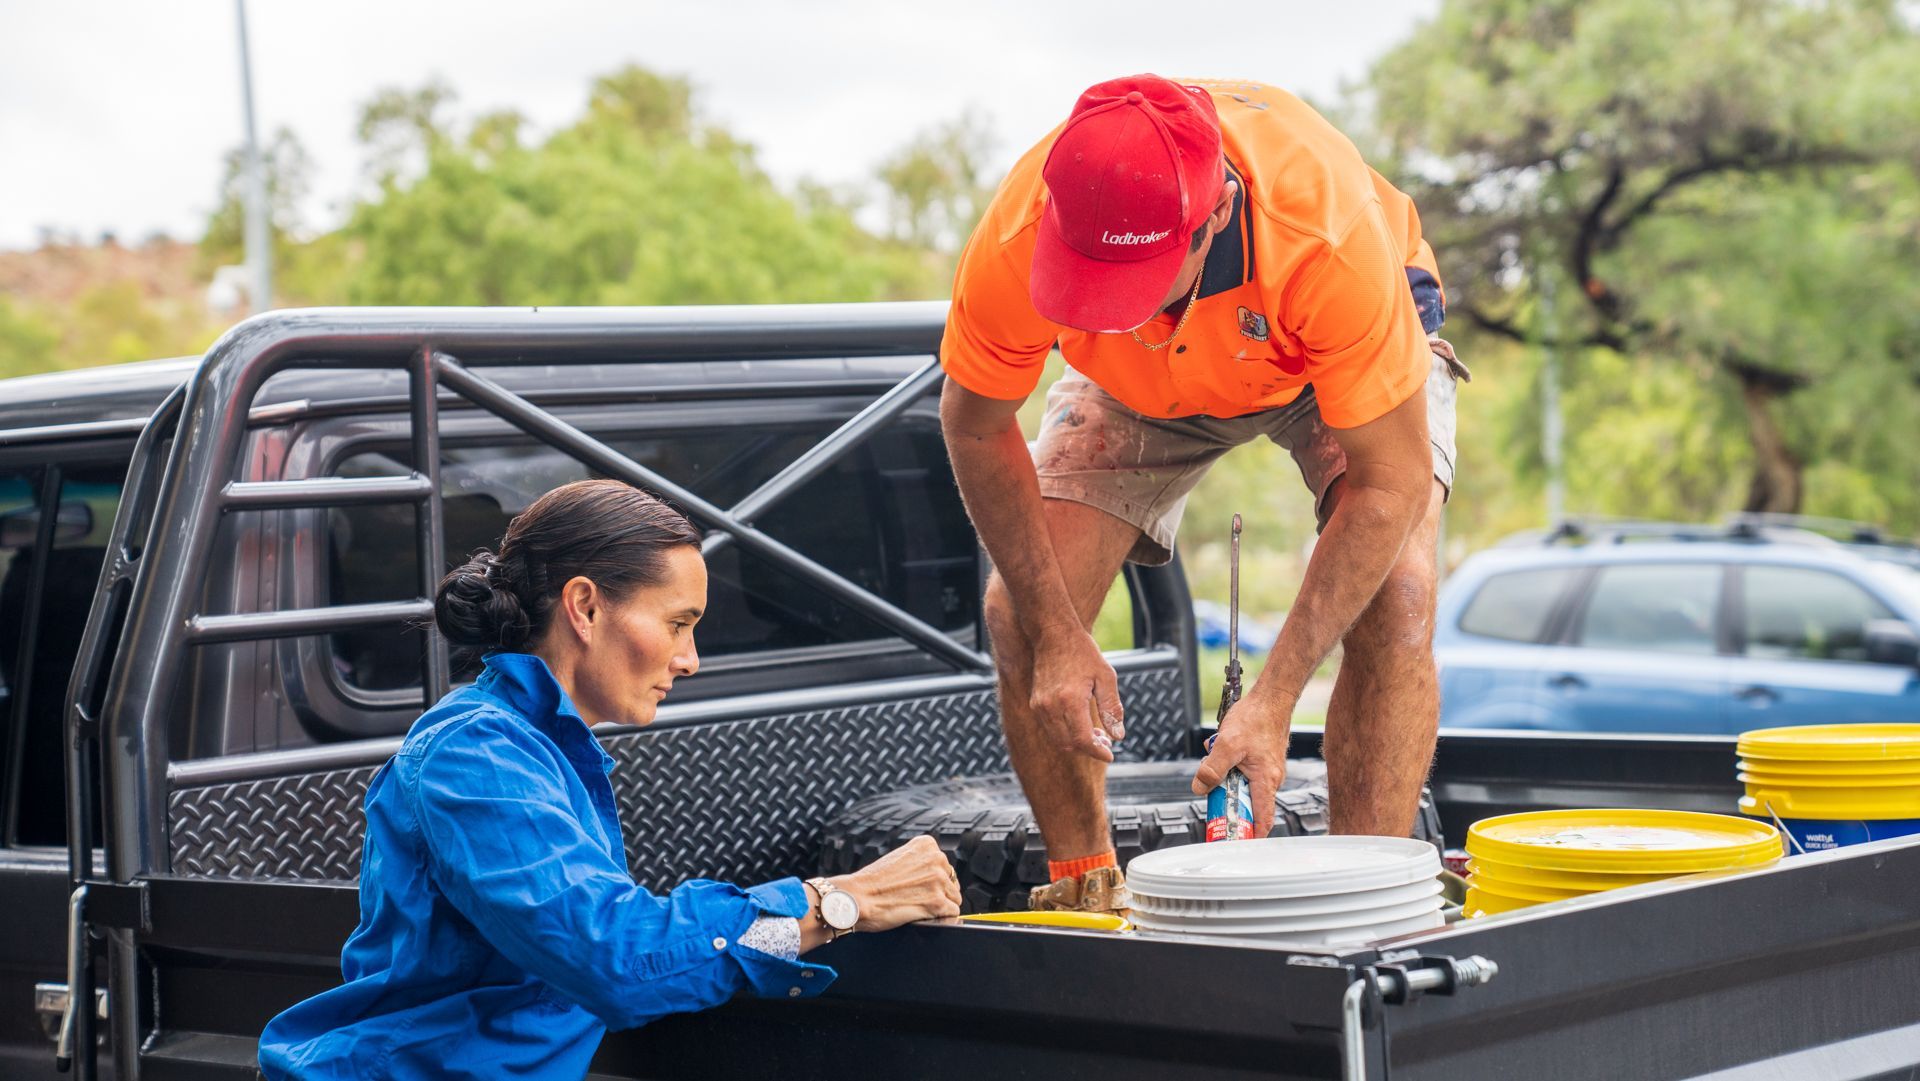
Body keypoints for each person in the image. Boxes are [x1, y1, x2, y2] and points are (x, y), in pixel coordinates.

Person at [940, 75, 1466, 914]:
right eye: (1091, 280)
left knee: (1398, 594)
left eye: (1134, 277)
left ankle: (1367, 905)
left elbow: (1388, 481)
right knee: (1020, 613)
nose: (1111, 305)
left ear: (1215, 212)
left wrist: (1276, 694)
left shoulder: (1323, 234)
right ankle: (1088, 889)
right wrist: (1058, 631)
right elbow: (974, 426)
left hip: (1320, 358)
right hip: (1137, 380)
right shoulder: (1021, 225)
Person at [258, 479, 960, 1079]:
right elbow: (619, 960)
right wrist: (840, 901)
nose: (691, 659)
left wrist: (811, 922)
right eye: (678, 622)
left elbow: (663, 959)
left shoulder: (542, 747)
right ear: (586, 606)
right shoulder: (476, 755)